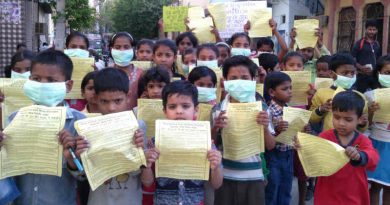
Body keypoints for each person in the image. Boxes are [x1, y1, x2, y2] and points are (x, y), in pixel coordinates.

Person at [0, 50, 86, 205]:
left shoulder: (79, 122)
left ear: (68, 85)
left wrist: (72, 158)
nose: (42, 85)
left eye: (51, 80)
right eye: (36, 79)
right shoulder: (15, 118)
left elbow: (83, 175)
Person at [75, 68, 150, 205]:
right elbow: (81, 176)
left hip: (130, 200)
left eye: (117, 101)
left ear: (128, 97)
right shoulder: (87, 128)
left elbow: (144, 177)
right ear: (96, 99)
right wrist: (79, 157)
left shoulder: (138, 127)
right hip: (98, 200)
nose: (111, 108)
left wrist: (140, 153)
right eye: (104, 101)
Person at [143, 80, 223, 205]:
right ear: (165, 111)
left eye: (185, 106)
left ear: (196, 110)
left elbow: (217, 184)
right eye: (172, 107)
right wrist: (147, 165)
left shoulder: (205, 141)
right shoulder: (154, 142)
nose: (179, 111)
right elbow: (147, 182)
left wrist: (216, 167)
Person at [212, 55, 276, 205]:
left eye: (244, 78)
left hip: (254, 177)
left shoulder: (262, 108)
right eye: (233, 78)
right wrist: (216, 127)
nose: (239, 82)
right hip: (225, 176)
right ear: (225, 81)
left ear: (254, 80)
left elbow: (271, 145)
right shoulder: (218, 110)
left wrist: (265, 128)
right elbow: (211, 143)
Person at [309, 91, 379, 205]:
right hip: (327, 193)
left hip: (353, 194)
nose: (341, 123)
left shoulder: (362, 140)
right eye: (336, 117)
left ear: (360, 119)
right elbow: (313, 158)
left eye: (348, 119)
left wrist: (360, 155)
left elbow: (373, 157)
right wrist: (303, 148)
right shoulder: (325, 137)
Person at [263, 72, 311, 205]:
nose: (289, 92)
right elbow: (267, 140)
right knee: (272, 190)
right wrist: (277, 131)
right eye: (284, 89)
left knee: (286, 188)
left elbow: (294, 135)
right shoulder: (268, 111)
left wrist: (304, 130)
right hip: (273, 156)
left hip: (289, 154)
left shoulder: (290, 109)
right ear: (272, 92)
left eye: (290, 88)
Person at [310, 52, 369, 133]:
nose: (349, 76)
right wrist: (320, 110)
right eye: (345, 73)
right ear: (331, 74)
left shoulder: (360, 96)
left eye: (352, 73)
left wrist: (363, 124)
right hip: (328, 140)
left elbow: (362, 129)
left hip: (350, 141)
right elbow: (311, 119)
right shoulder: (321, 93)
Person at [365, 55, 390, 205]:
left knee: (389, 187)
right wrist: (370, 111)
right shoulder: (370, 95)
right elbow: (364, 125)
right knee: (375, 185)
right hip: (378, 144)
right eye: (387, 73)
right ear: (378, 74)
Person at [110, 32, 144, 110]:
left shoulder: (142, 74)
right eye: (118, 47)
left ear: (133, 49)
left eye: (126, 47)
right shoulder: (105, 73)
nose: (122, 50)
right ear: (111, 49)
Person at [352, 19, 382, 93]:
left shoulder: (377, 44)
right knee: (360, 96)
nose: (372, 31)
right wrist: (361, 68)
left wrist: (376, 70)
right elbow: (352, 59)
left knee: (375, 95)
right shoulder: (359, 43)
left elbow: (379, 60)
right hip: (361, 76)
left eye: (374, 29)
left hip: (374, 76)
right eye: (370, 29)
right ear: (366, 30)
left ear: (377, 31)